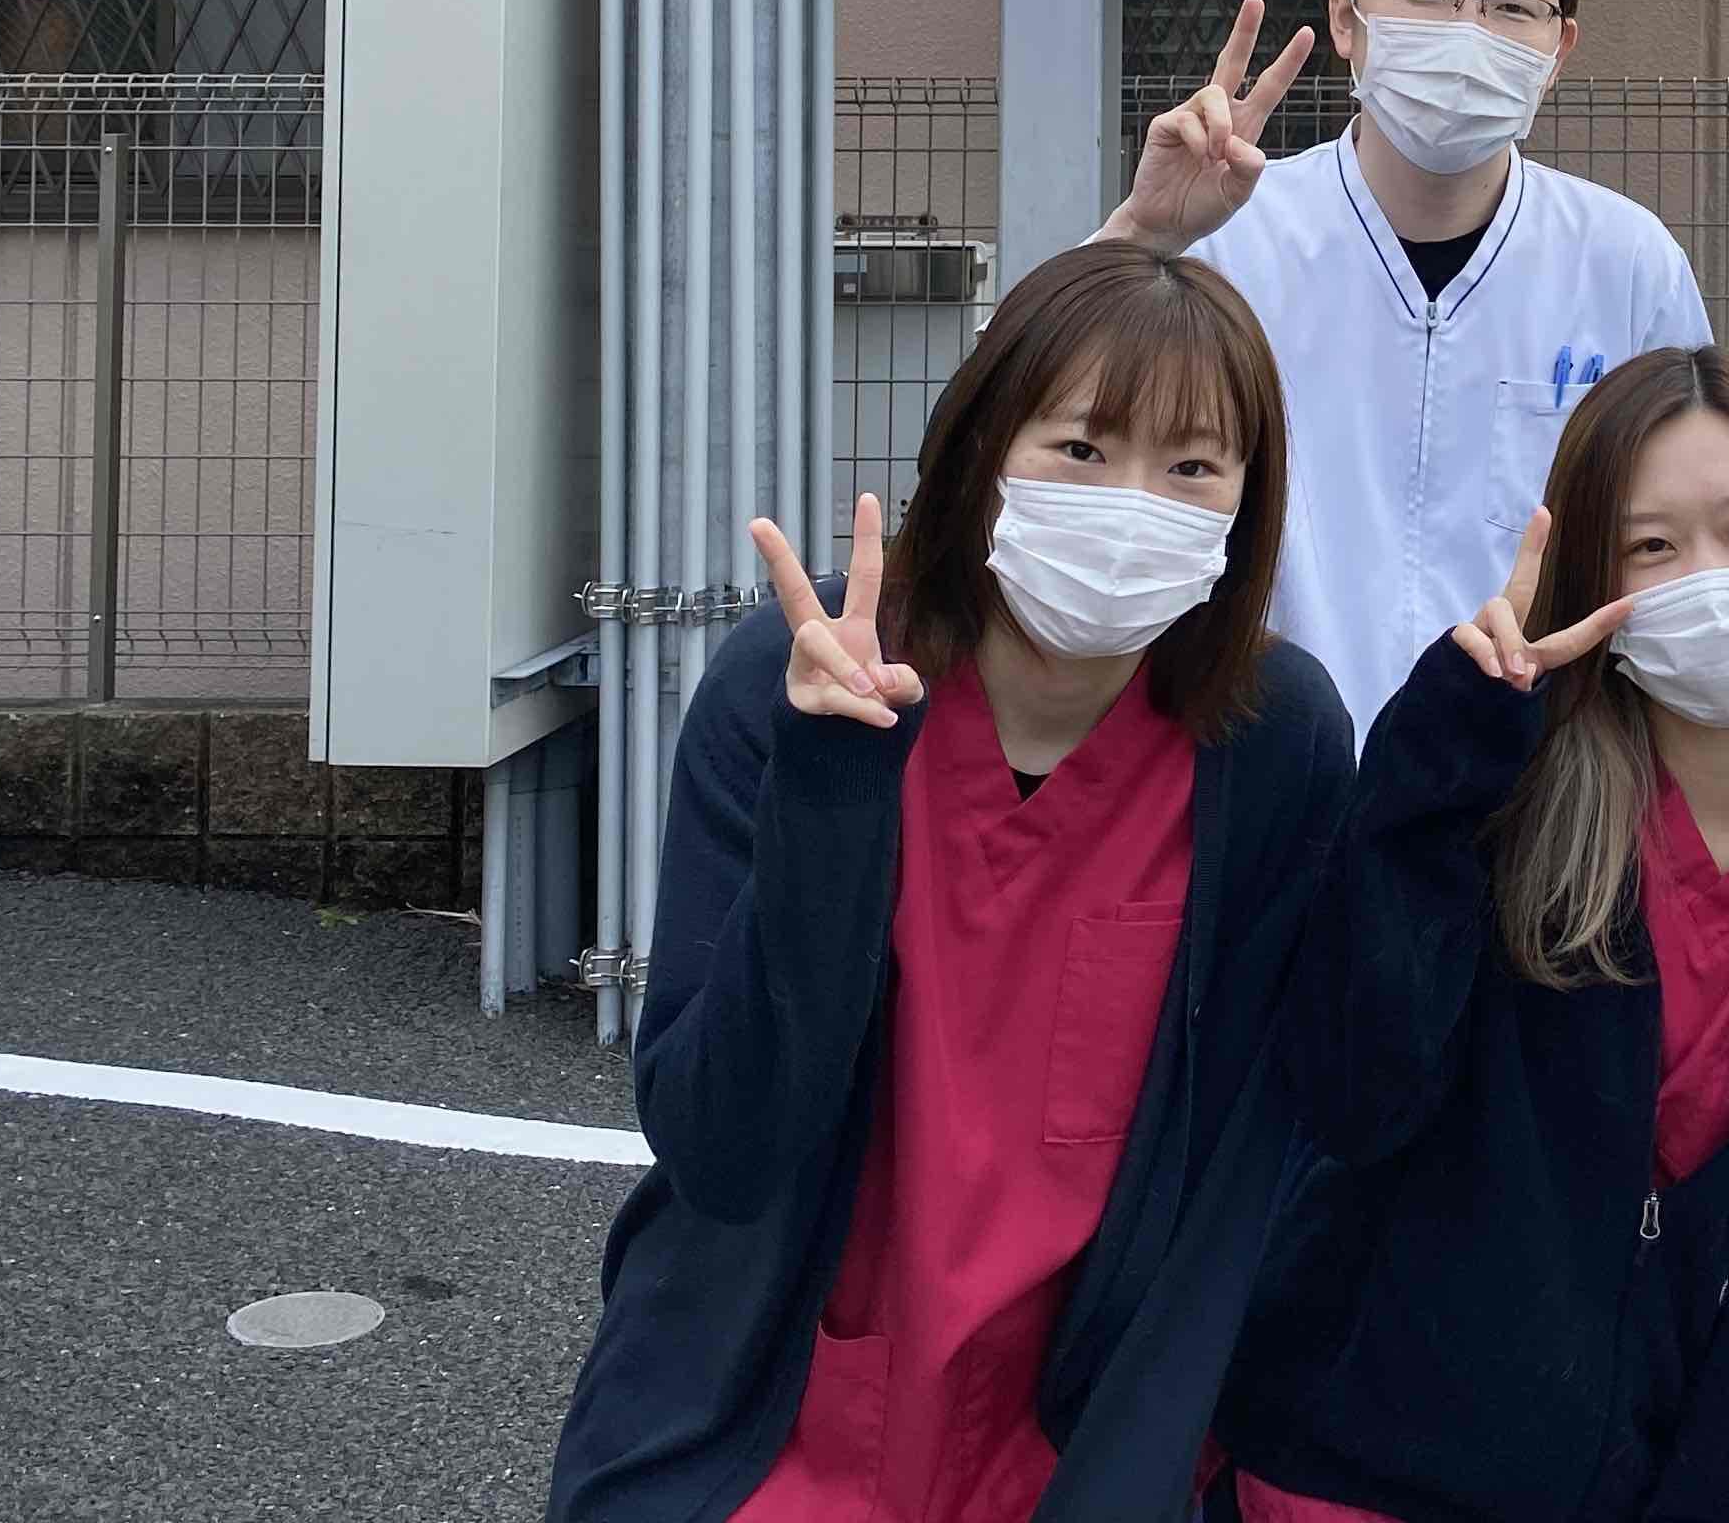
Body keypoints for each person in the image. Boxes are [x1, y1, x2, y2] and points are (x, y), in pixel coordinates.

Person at [546, 246, 1354, 1523]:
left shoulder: (1274, 738)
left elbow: (1250, 1169)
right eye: (1082, 450)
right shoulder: (791, 681)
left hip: (1078, 1433)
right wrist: (828, 792)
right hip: (774, 1416)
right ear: (980, 456)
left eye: (1193, 467)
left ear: (1248, 509)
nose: (1135, 502)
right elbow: (719, 1143)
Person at [1219, 347, 1729, 1523]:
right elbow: (1353, 1095)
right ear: (1589, 577)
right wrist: (1434, 757)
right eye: (1653, 547)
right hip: (1351, 1470)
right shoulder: (1498, 789)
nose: (1709, 579)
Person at [1099, 0, 1711, 735]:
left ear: (1558, 46)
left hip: (1527, 777)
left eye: (1512, 5)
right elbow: (1017, 432)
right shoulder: (1228, 236)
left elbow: (1691, 528)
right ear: (1348, 16)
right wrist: (1138, 237)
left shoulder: (1625, 262)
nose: (1466, 33)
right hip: (1253, 747)